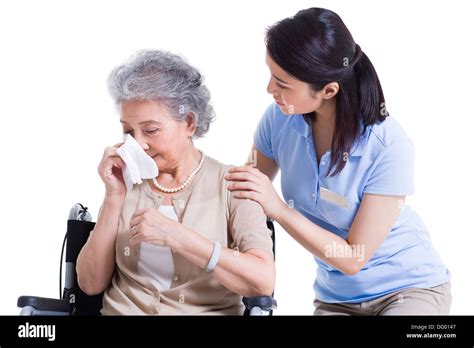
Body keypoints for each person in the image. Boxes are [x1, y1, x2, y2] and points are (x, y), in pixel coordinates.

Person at [225, 7, 451, 315]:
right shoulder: (279, 120)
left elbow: (352, 258)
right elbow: (242, 193)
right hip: (337, 299)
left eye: (282, 82)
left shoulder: (389, 146)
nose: (270, 89)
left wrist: (277, 208)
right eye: (271, 75)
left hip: (408, 290)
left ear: (328, 90)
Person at [76, 50, 275, 315]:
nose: (139, 143)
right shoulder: (126, 183)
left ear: (189, 123)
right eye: (128, 131)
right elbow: (90, 284)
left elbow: (262, 280)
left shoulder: (233, 185)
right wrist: (113, 197)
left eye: (151, 130)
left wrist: (179, 237)